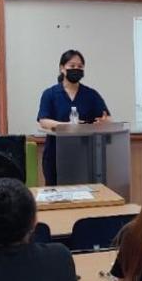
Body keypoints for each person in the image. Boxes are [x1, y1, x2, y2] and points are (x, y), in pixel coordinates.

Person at [37, 49, 111, 185]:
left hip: (84, 155)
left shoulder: (91, 94)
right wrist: (67, 126)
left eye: (80, 66)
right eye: (72, 66)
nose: (76, 69)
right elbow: (43, 121)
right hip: (55, 154)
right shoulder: (50, 94)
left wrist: (104, 122)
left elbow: (107, 118)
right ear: (62, 68)